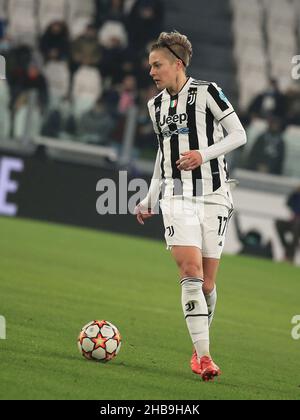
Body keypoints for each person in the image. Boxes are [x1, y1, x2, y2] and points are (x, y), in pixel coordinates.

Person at [134, 31, 247, 381]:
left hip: (214, 194)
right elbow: (162, 153)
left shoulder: (207, 92)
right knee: (190, 272)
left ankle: (200, 345)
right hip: (176, 196)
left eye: (158, 65)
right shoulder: (155, 106)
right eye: (151, 65)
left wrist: (203, 154)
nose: (152, 71)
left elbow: (238, 134)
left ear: (177, 64)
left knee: (208, 284)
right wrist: (150, 197)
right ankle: (204, 357)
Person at [276, 186, 300, 263]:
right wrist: (295, 191)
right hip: (294, 222)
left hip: (297, 224)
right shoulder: (296, 196)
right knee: (278, 223)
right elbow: (288, 203)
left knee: (297, 226)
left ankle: (290, 255)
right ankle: (287, 249)